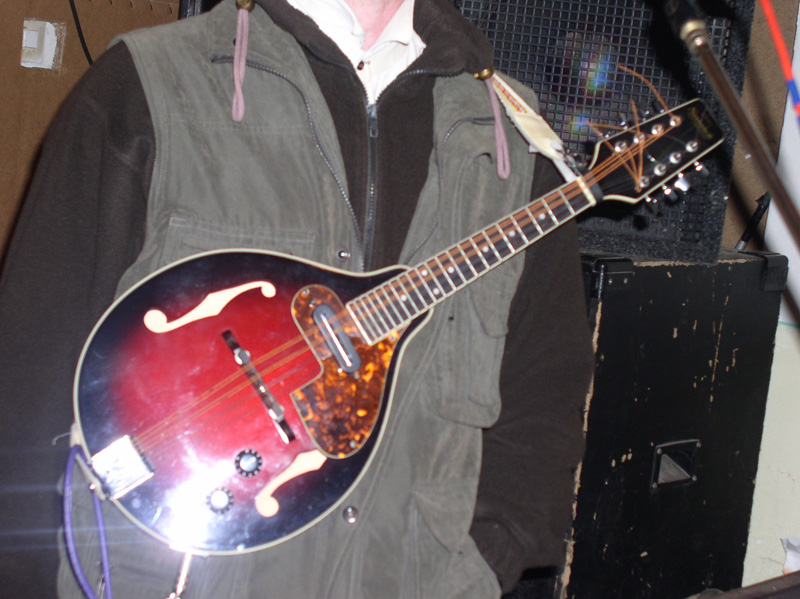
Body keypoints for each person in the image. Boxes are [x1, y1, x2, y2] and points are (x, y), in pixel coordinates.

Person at [0, 0, 594, 597]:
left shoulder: (513, 144)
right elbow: (25, 381)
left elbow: (543, 404)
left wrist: (475, 569)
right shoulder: (147, 82)